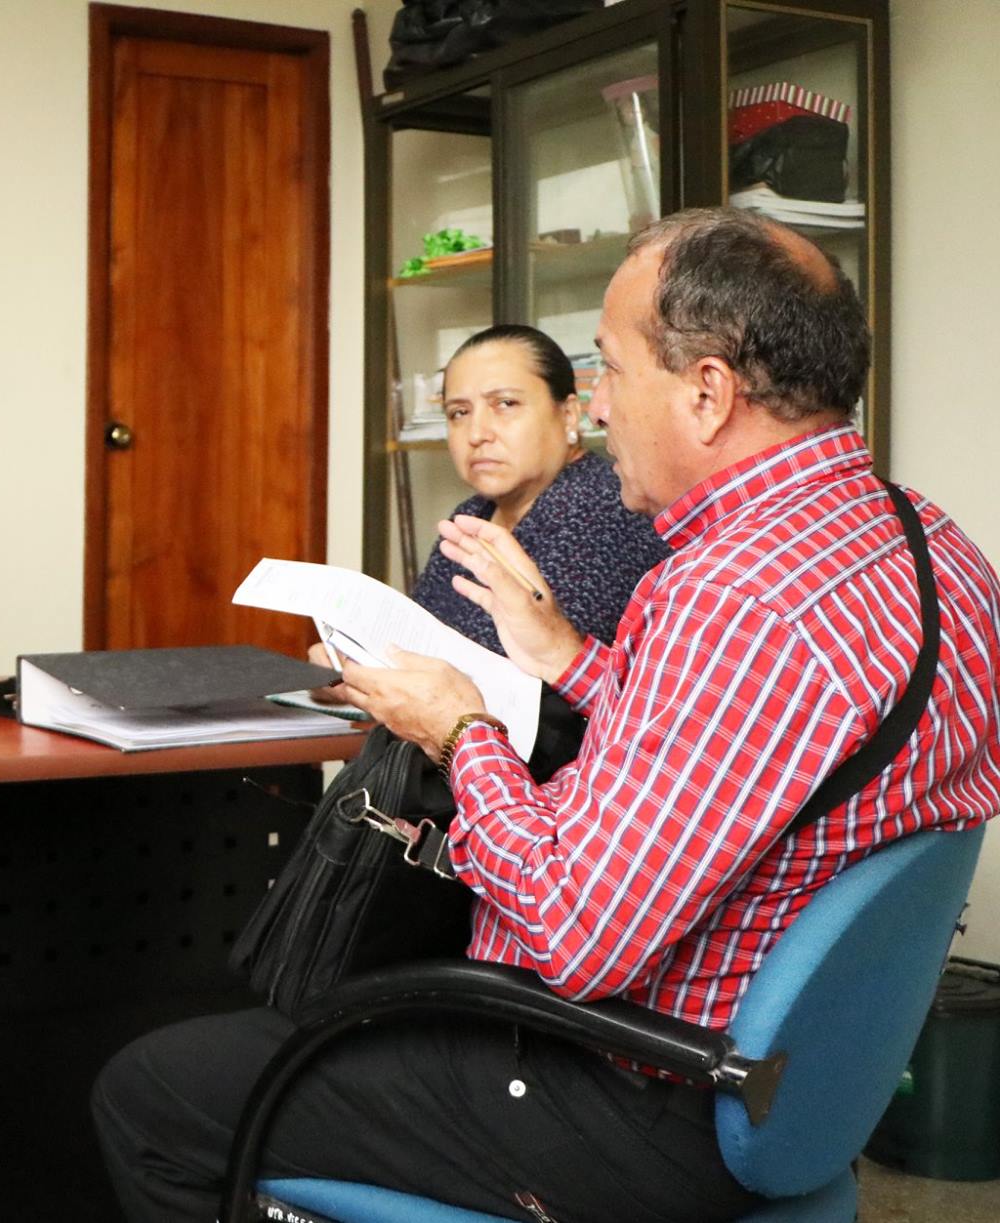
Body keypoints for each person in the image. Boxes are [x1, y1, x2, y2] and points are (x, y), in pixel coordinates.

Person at [94, 208, 1000, 1222]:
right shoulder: (928, 541)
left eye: (609, 368)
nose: (598, 405)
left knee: (153, 1089)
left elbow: (573, 937)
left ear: (706, 392)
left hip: (638, 1095)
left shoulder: (733, 597)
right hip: (792, 1088)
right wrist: (566, 655)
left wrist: (459, 730)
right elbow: (746, 749)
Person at [411, 324, 670, 652]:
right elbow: (413, 630)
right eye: (459, 412)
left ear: (569, 414)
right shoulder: (472, 513)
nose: (476, 434)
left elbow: (533, 671)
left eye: (505, 404)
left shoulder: (605, 509)